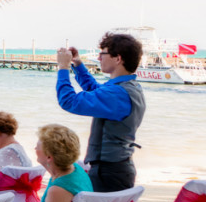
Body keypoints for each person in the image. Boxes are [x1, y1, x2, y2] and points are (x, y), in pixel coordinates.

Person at [56, 32, 145, 192]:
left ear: (118, 59)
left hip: (109, 172)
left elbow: (69, 101)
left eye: (102, 54)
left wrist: (63, 68)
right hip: (116, 167)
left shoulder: (118, 94)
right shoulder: (127, 87)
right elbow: (96, 90)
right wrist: (77, 64)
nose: (98, 58)